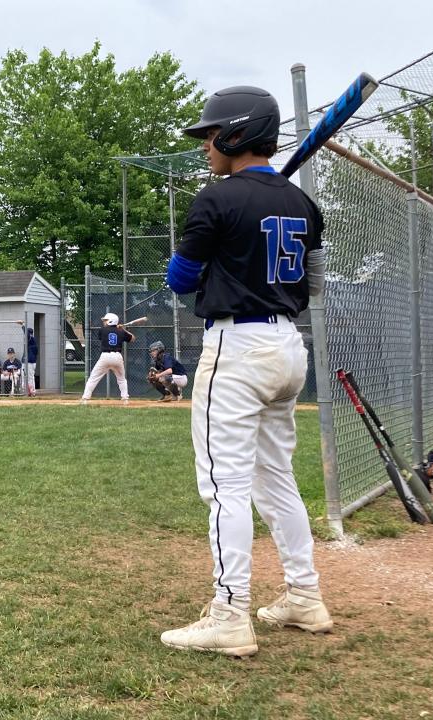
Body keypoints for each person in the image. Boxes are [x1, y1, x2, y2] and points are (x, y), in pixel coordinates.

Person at [158, 86, 331, 657]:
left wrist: (202, 270)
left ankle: (229, 613)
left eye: (210, 135)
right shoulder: (305, 204)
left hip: (236, 348)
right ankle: (304, 597)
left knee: (225, 487)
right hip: (288, 347)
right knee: (274, 478)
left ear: (235, 134)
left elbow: (180, 281)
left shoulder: (218, 199)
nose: (206, 146)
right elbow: (312, 282)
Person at [80, 313, 133, 405]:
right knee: (121, 379)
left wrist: (117, 329)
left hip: (105, 356)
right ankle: (125, 399)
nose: (104, 322)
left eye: (105, 320)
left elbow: (102, 336)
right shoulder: (121, 331)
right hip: (117, 357)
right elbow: (132, 339)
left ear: (110, 321)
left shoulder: (102, 330)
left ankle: (85, 398)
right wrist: (123, 330)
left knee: (93, 378)